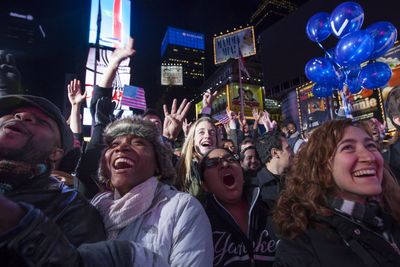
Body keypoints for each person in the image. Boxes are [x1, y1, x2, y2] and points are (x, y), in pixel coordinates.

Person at [273, 119, 400, 267]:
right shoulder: (301, 249)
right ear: (321, 166)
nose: (370, 157)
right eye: (348, 148)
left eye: (371, 145)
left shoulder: (391, 212)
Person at [91, 115, 213, 265]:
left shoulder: (182, 209)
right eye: (114, 144)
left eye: (138, 142)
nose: (121, 147)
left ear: (158, 163)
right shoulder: (90, 211)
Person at [0, 94, 105, 266]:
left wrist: (22, 226)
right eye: (14, 114)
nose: (21, 117)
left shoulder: (70, 206)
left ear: (56, 153)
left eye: (42, 122)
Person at [199, 148, 278, 266]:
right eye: (213, 163)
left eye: (231, 159)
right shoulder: (199, 224)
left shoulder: (274, 210)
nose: (225, 164)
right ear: (205, 185)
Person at [175, 116, 219, 200]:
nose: (207, 136)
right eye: (201, 132)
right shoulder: (181, 166)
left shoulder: (225, 165)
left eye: (212, 133)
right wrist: (167, 138)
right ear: (193, 139)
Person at [250, 130, 293, 207]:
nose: (292, 152)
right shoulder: (255, 188)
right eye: (288, 148)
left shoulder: (296, 177)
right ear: (275, 153)